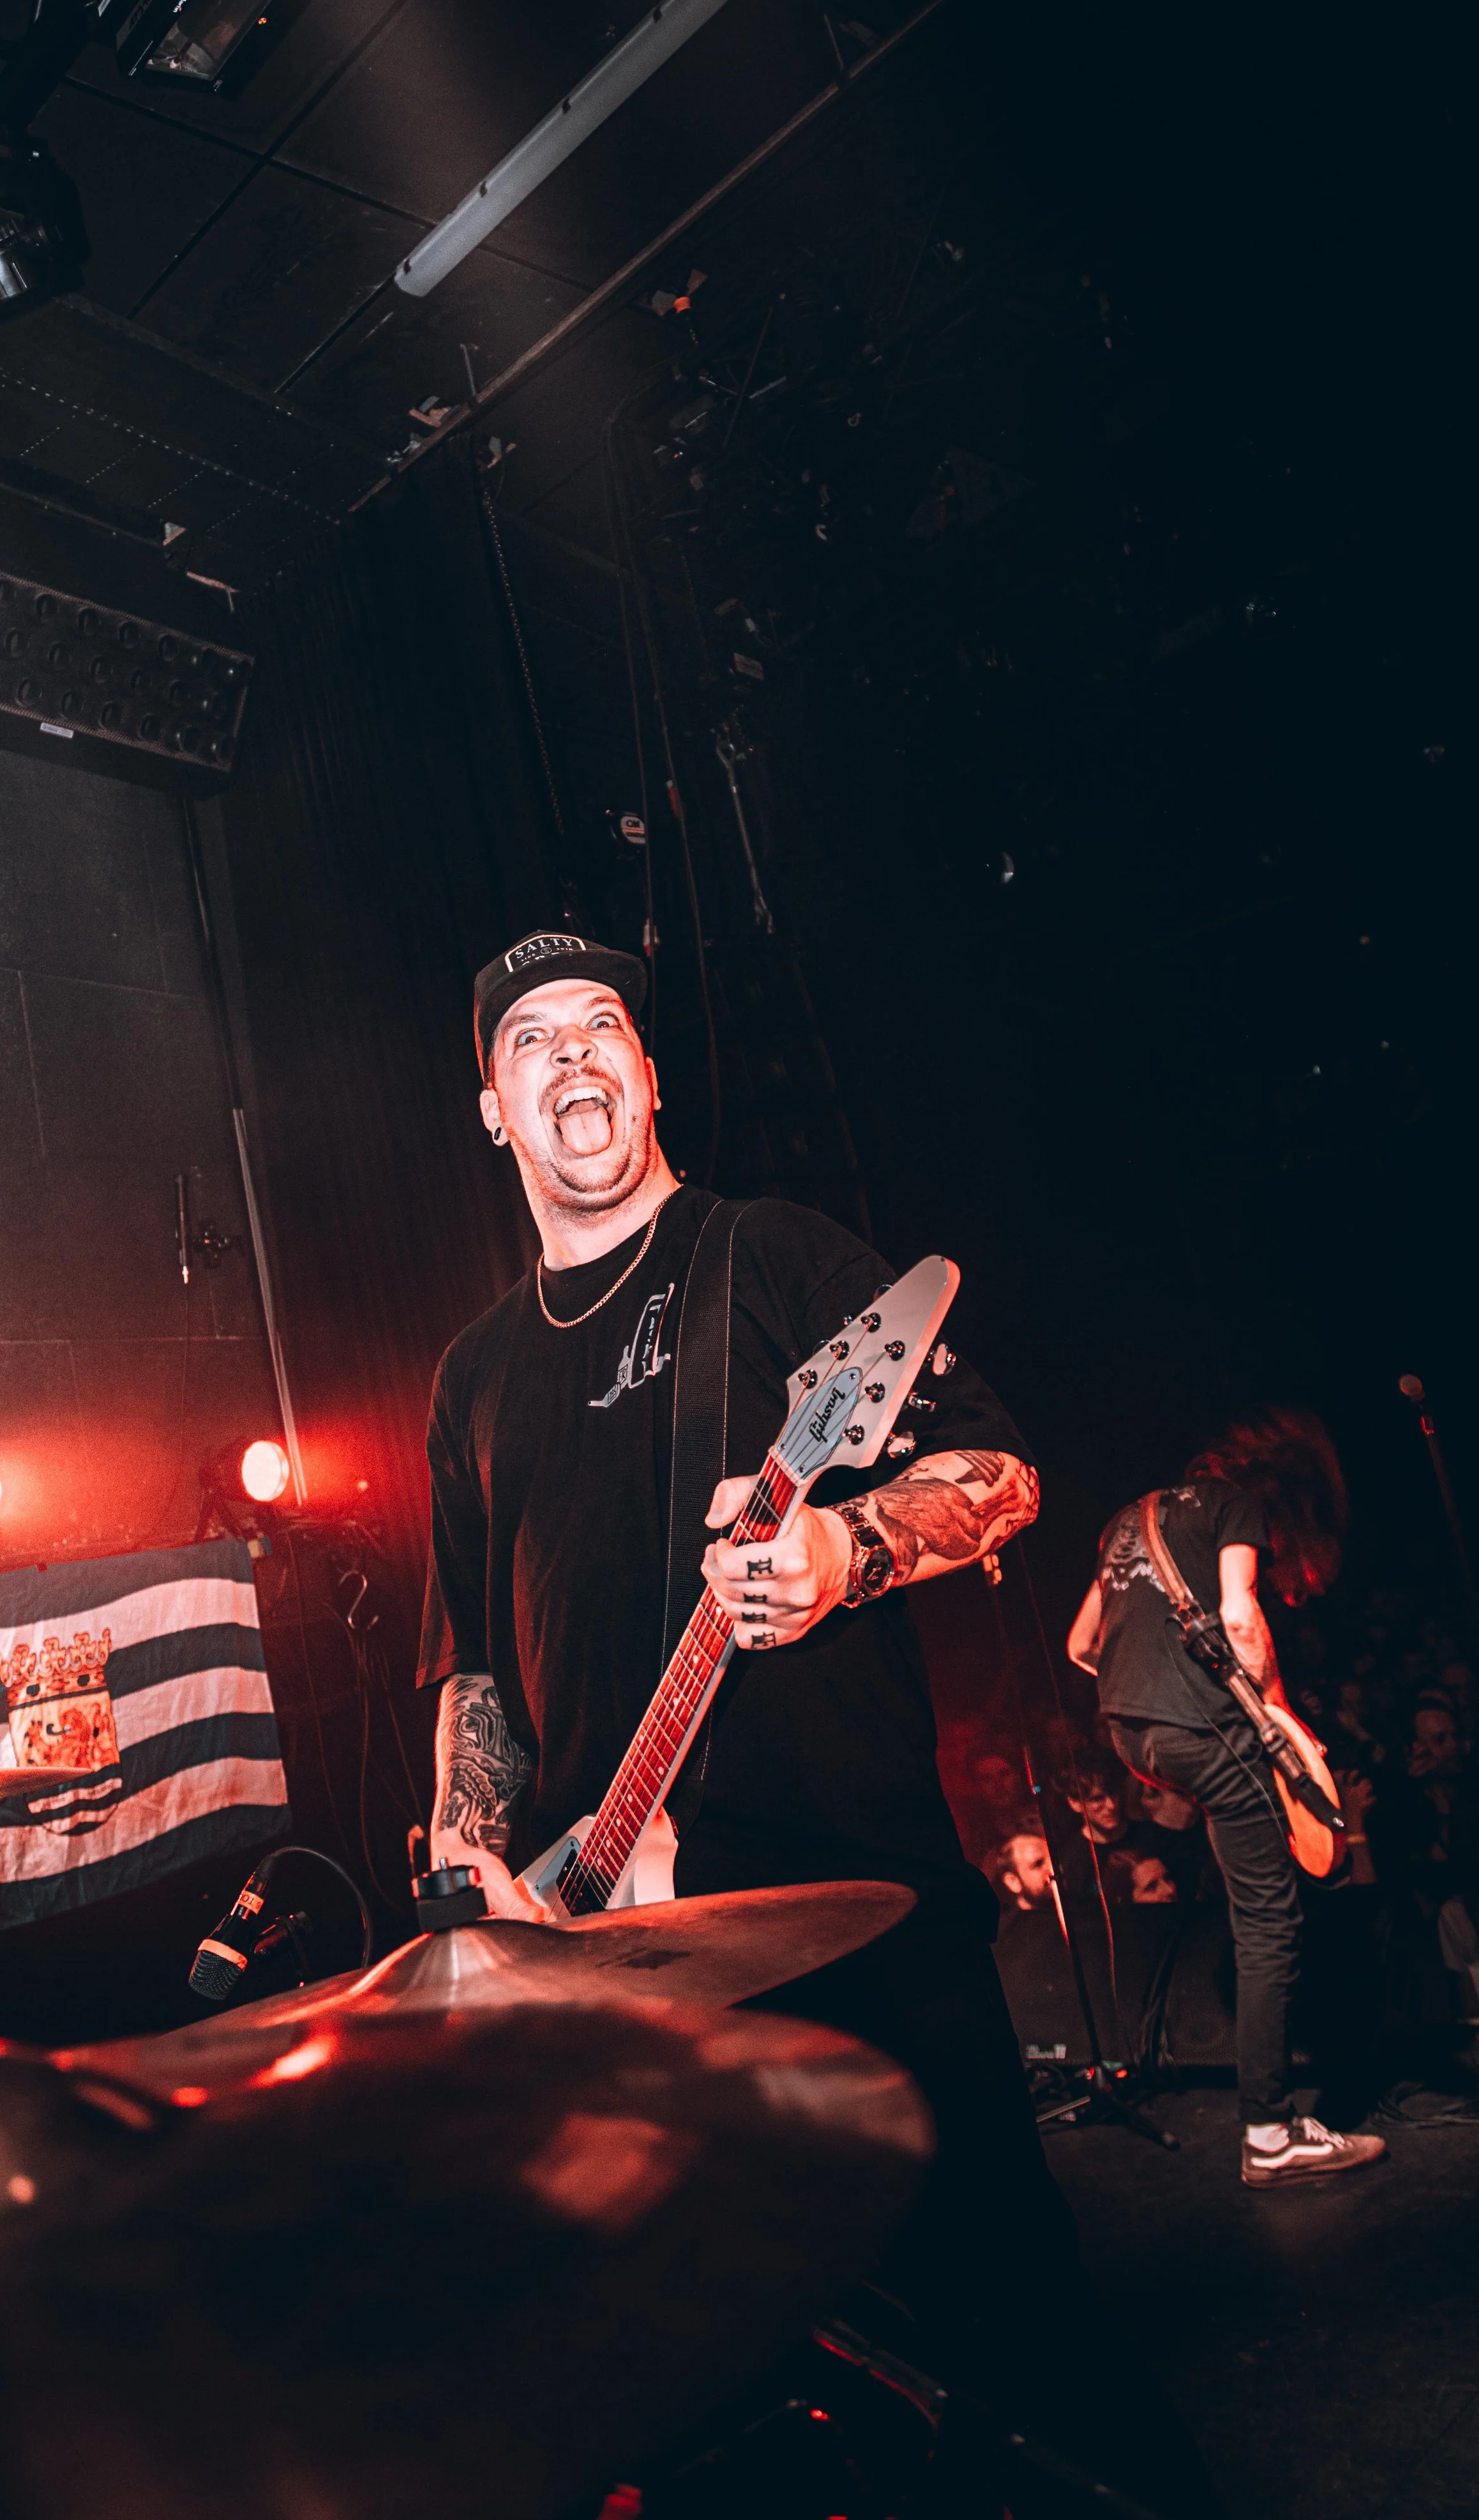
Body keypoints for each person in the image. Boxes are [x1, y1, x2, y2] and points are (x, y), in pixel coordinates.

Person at [417, 927, 1083, 2394]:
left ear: (649, 1076)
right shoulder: (470, 1373)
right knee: (729, 2397)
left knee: (1020, 2357)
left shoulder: (766, 1251)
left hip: (852, 1908)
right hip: (607, 1943)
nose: (571, 1049)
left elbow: (1001, 1472)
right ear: (493, 1108)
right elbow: (473, 1665)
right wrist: (472, 1855)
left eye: (601, 1023)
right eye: (529, 1037)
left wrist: (853, 1548)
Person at [1067, 1409, 1386, 2189]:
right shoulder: (1232, 1506)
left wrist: (1151, 1717)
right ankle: (1271, 2136)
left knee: (1246, 1876)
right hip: (1207, 1731)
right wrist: (1279, 1718)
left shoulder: (1127, 1521)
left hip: (1130, 1734)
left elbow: (1082, 1646)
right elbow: (1240, 1616)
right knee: (1270, 1922)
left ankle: (1271, 2123)